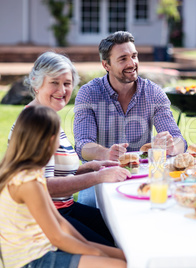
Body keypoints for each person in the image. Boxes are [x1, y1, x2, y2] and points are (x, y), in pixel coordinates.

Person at [9, 51, 131, 247]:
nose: (62, 90)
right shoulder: (36, 123)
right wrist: (97, 177)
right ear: (36, 83)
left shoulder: (46, 116)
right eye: (54, 82)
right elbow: (42, 186)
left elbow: (53, 169)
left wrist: (92, 166)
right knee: (118, 245)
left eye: (67, 83)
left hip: (64, 208)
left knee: (123, 229)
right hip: (47, 218)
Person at [0, 105, 126, 268]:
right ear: (51, 140)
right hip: (33, 261)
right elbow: (57, 237)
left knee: (124, 257)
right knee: (119, 265)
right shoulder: (27, 182)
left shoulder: (31, 173)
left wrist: (94, 248)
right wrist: (96, 253)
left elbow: (60, 222)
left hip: (43, 251)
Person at [73, 31, 186, 206]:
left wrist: (171, 146)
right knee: (90, 212)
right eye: (123, 59)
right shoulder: (89, 93)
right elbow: (82, 145)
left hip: (139, 175)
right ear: (106, 65)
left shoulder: (153, 92)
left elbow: (179, 141)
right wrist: (106, 153)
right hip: (99, 174)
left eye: (134, 56)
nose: (132, 63)